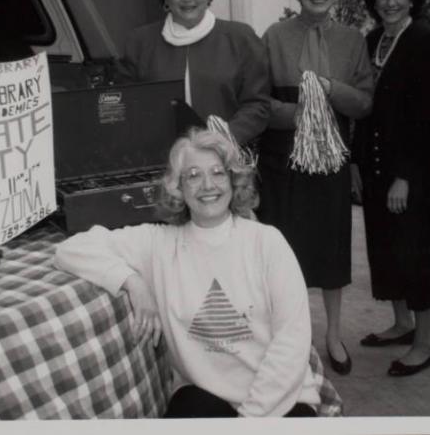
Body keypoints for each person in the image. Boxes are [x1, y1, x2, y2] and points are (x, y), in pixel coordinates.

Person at [54, 128, 327, 417]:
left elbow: (291, 342)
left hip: (280, 401)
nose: (208, 185)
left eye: (218, 173)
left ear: (234, 181)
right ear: (178, 188)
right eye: (193, 175)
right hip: (207, 398)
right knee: (187, 406)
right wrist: (132, 282)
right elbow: (70, 250)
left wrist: (250, 419)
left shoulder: (267, 242)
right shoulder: (158, 243)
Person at [257, 0, 374, 375]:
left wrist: (329, 89)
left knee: (330, 250)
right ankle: (293, 338)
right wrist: (299, 113)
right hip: (283, 159)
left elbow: (363, 103)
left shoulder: (352, 40)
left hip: (330, 161)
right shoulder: (274, 36)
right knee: (285, 251)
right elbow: (258, 99)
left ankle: (333, 335)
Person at [352, 0, 430, 377]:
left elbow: (429, 118)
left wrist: (405, 175)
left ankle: (423, 343)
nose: (390, 1)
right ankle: (401, 323)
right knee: (385, 250)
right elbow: (361, 109)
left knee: (414, 253)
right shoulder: (371, 42)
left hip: (410, 170)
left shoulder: (425, 41)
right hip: (373, 165)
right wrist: (355, 161)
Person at [121, 0, 270, 146]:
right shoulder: (140, 42)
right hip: (162, 161)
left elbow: (257, 103)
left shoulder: (240, 38)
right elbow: (128, 106)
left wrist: (225, 138)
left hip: (227, 157)